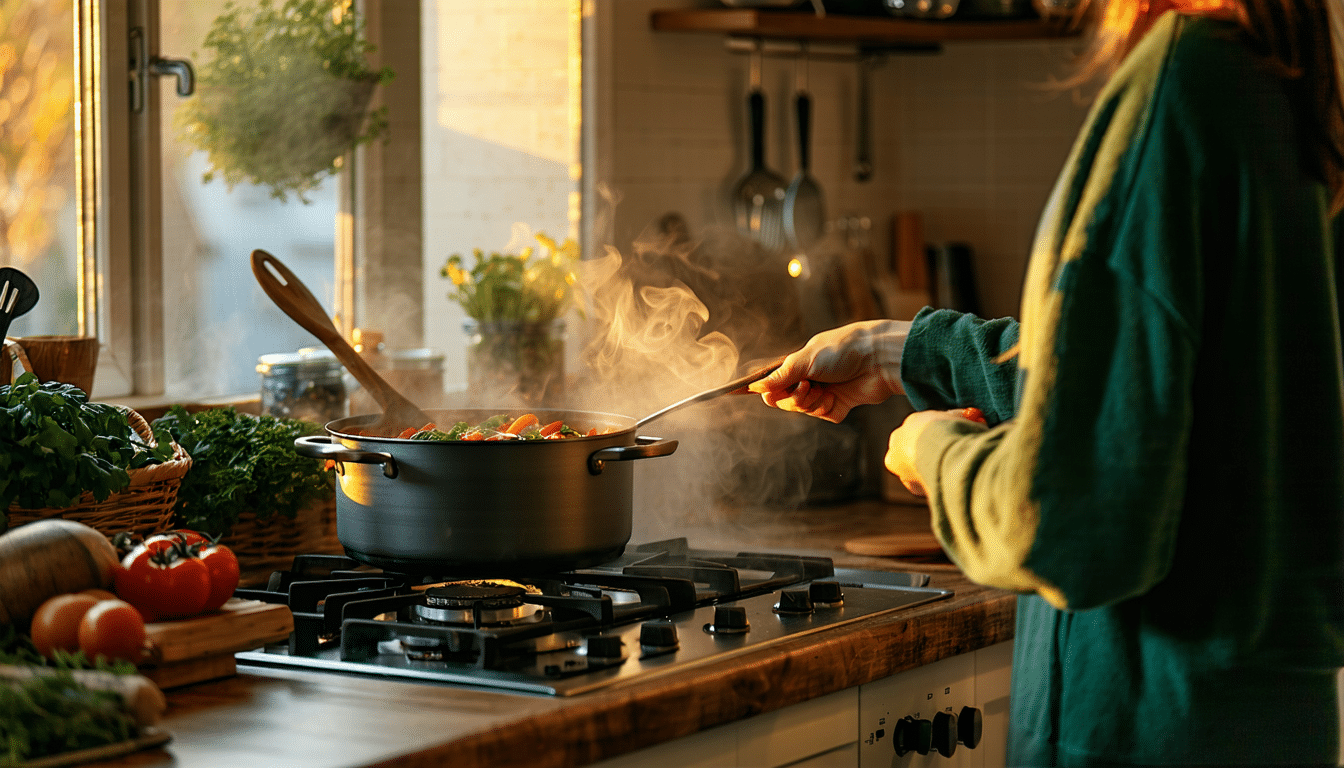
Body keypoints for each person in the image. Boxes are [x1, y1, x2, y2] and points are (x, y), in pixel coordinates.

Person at [751, 0, 1344, 765]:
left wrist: (937, 451)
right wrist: (902, 354)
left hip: (1147, 731)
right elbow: (1140, 374)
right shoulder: (1272, 81)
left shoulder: (1179, 86)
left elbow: (1071, 524)